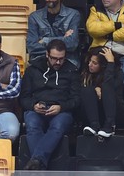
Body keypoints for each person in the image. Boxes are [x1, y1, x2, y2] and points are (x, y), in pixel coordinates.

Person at [20, 39, 80, 170]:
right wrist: (33, 105)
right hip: (36, 108)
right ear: (47, 55)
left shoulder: (72, 71)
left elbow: (76, 100)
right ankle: (39, 163)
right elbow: (23, 98)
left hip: (61, 110)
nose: (58, 62)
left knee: (58, 126)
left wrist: (61, 107)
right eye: (54, 58)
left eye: (61, 59)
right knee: (32, 124)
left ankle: (37, 161)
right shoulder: (33, 69)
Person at [27, 0, 82, 68]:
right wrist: (63, 40)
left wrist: (45, 41)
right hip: (41, 59)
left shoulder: (73, 15)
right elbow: (32, 47)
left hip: (66, 60)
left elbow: (72, 44)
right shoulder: (34, 17)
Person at [79, 47, 124, 138]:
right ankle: (94, 126)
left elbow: (110, 88)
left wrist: (110, 63)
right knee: (87, 90)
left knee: (106, 87)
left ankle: (110, 126)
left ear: (103, 65)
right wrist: (95, 88)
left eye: (94, 63)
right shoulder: (87, 75)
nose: (90, 65)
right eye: (90, 61)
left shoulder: (118, 73)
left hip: (117, 113)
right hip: (99, 114)